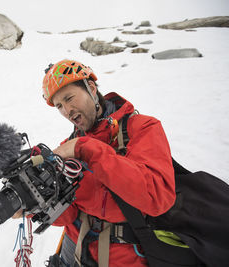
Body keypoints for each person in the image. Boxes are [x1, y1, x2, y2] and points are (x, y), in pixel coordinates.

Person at [42, 59, 176, 267]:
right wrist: (36, 201)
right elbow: (67, 215)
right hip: (74, 250)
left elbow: (157, 197)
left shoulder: (142, 127)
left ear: (92, 88)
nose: (67, 110)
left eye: (69, 98)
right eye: (59, 106)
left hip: (123, 256)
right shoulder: (69, 146)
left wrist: (87, 150)